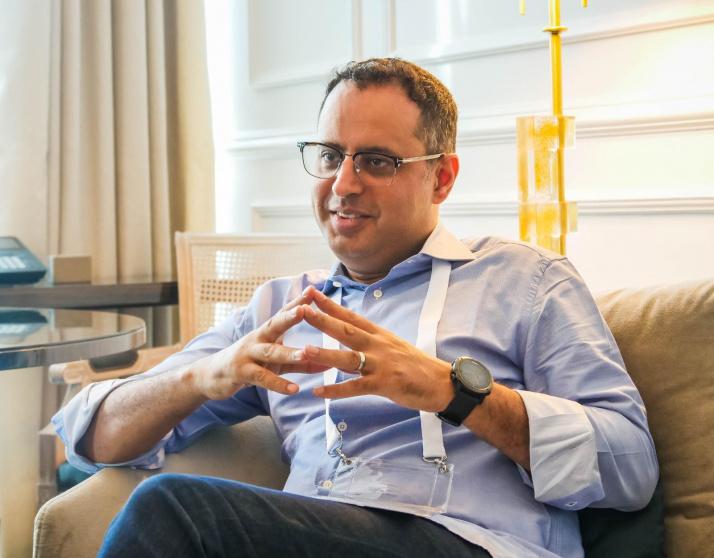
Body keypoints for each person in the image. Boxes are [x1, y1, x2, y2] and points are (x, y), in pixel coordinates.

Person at [54, 58, 658, 558]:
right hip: (311, 533)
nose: (343, 184)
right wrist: (201, 375)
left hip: (471, 540)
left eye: (376, 161)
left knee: (175, 511)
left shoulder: (526, 279)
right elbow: (92, 435)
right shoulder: (282, 308)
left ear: (441, 178)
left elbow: (629, 468)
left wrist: (453, 392)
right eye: (329, 155)